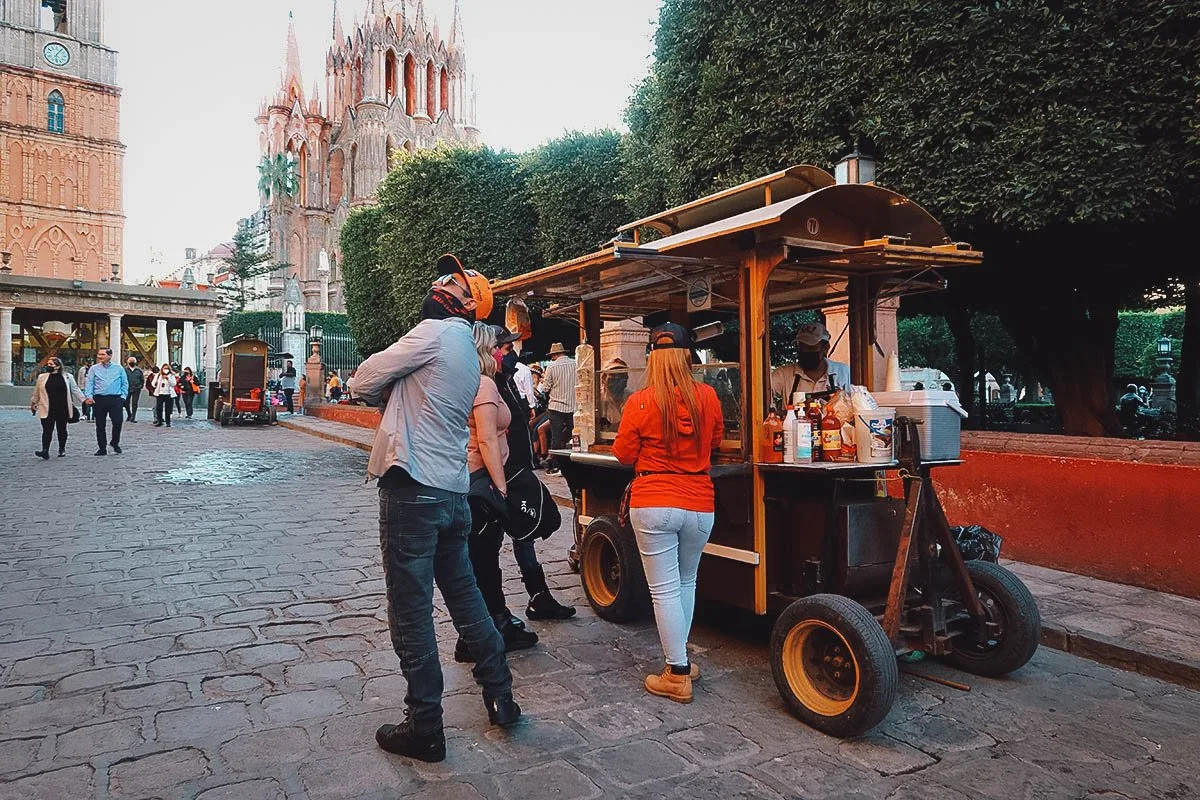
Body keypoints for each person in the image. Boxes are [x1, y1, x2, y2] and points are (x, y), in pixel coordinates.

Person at [352, 253, 519, 764]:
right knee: (466, 597)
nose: (438, 281)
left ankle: (424, 724)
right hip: (452, 492)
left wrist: (391, 388)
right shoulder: (469, 354)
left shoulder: (435, 333)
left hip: (413, 488)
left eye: (452, 280)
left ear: (469, 303)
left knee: (410, 611)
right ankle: (500, 694)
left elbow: (360, 381)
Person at [613, 323, 724, 704]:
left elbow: (623, 455)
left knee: (663, 590)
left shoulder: (640, 401)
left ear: (653, 360)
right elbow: (716, 442)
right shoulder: (708, 396)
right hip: (700, 503)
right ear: (687, 357)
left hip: (655, 500)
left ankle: (676, 672)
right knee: (687, 582)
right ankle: (682, 657)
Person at [460, 324, 542, 657]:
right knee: (483, 559)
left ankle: (488, 626)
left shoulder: (470, 382)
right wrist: (501, 487)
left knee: (481, 559)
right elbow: (487, 438)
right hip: (482, 479)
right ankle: (485, 631)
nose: (502, 352)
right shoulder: (482, 385)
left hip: (474, 478)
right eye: (498, 347)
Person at [770, 322, 851, 403]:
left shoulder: (844, 373)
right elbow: (762, 392)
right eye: (802, 347)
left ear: (826, 348)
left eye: (810, 347)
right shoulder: (783, 374)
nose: (805, 351)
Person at [31, 357, 85, 459]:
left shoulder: (68, 377)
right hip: (47, 407)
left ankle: (61, 449)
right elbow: (37, 391)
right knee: (47, 430)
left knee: (62, 429)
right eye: (48, 364)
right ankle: (45, 450)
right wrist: (34, 402)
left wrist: (84, 400)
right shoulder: (42, 377)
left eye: (51, 364)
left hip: (62, 408)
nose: (48, 366)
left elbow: (75, 389)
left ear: (58, 366)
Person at [83, 347, 128, 456]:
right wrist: (88, 396)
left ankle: (115, 442)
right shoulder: (94, 369)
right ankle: (102, 447)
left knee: (117, 421)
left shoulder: (119, 368)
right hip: (99, 399)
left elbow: (124, 383)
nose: (100, 356)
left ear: (109, 355)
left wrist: (123, 397)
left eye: (103, 354)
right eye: (99, 354)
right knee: (100, 424)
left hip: (115, 398)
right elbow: (90, 383)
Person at [541, 342, 576, 476]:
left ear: (555, 355)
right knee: (573, 437)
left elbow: (545, 388)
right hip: (573, 406)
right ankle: (572, 463)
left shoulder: (552, 367)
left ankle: (557, 466)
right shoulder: (575, 364)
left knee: (556, 437)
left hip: (556, 407)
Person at [598, 357, 631, 431]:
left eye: (621, 376)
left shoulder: (632, 398)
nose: (617, 379)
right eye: (613, 376)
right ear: (604, 378)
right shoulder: (597, 399)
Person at [149, 363, 179, 427]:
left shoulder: (171, 375)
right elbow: (153, 383)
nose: (166, 370)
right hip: (160, 393)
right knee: (159, 408)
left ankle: (168, 422)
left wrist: (168, 378)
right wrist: (156, 384)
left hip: (169, 394)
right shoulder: (158, 375)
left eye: (167, 368)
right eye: (164, 368)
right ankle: (160, 421)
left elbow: (173, 384)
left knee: (168, 409)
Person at [123, 357, 145, 423]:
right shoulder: (124, 370)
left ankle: (133, 417)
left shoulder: (139, 370)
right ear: (128, 362)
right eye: (130, 361)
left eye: (133, 361)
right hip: (127, 389)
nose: (132, 362)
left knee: (134, 403)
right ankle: (129, 414)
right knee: (126, 402)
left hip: (136, 389)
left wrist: (140, 386)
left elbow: (142, 379)